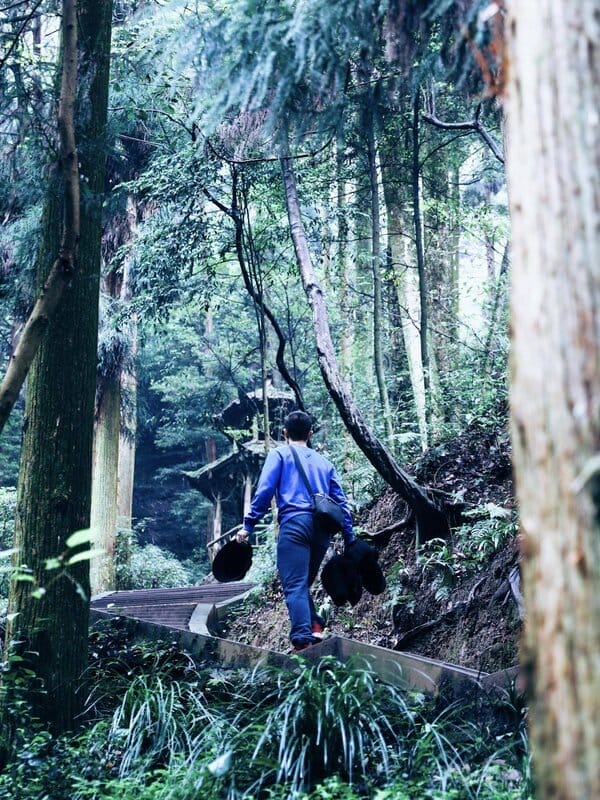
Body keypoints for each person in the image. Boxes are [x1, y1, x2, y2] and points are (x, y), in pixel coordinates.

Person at [236, 410, 356, 652]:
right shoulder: (325, 463)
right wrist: (349, 536)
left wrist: (248, 525)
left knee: (294, 585)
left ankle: (303, 641)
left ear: (285, 433)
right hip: (322, 531)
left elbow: (265, 491)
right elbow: (341, 503)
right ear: (310, 434)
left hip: (295, 526)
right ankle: (315, 626)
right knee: (300, 584)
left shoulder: (279, 454)